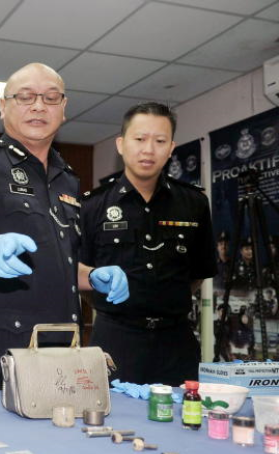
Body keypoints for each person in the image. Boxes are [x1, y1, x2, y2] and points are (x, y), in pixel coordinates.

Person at [0, 63, 128, 391]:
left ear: (63, 108)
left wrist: (91, 276)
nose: (38, 106)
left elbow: (56, 262)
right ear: (3, 106)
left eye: (51, 98)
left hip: (63, 354)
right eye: (25, 97)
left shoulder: (67, 178)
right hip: (0, 359)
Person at [79, 102, 216, 386]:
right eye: (140, 139)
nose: (149, 149)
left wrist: (163, 303)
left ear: (171, 148)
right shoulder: (92, 206)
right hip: (114, 341)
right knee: (111, 412)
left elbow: (199, 272)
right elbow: (80, 274)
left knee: (182, 412)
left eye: (160, 141)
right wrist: (114, 306)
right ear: (121, 144)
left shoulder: (194, 203)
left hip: (176, 343)